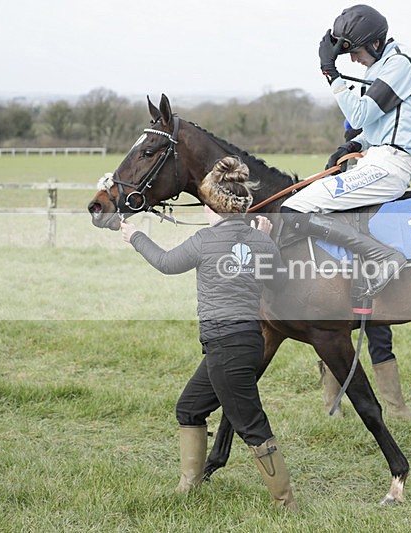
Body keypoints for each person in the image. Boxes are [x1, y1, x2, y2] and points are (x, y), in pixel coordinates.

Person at [119, 156, 297, 511]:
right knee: (189, 408)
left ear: (210, 206)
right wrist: (263, 240)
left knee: (252, 426)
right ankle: (191, 485)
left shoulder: (205, 239)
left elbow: (168, 264)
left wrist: (135, 236)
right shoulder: (262, 242)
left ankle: (285, 502)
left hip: (226, 346)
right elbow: (277, 282)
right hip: (243, 343)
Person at [280, 3, 411, 298]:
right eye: (347, 53)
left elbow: (361, 114)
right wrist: (353, 145)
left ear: (376, 43)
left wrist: (330, 72)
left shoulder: (400, 63)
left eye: (356, 51)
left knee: (293, 209)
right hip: (375, 158)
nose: (353, 59)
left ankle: (385, 257)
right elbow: (375, 126)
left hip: (391, 166)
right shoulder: (380, 65)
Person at [319, 119, 411, 422]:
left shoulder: (386, 167)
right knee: (333, 336)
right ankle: (333, 406)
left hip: (376, 269)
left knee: (380, 335)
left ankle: (396, 407)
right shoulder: (338, 167)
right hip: (341, 272)